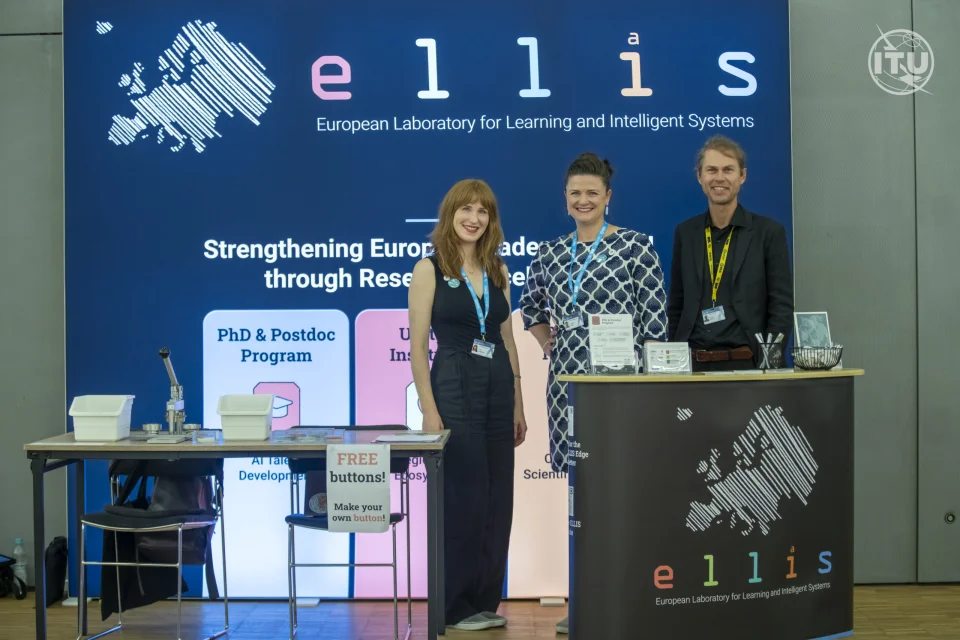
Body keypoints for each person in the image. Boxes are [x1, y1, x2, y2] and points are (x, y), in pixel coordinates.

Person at [518, 152, 667, 635]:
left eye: (592, 193)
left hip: (622, 390)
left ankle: (630, 596)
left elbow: (655, 322)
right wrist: (550, 343)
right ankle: (584, 602)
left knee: (624, 493)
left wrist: (649, 387)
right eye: (575, 193)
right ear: (565, 199)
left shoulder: (635, 246)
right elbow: (530, 307)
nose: (583, 200)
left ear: (608, 197)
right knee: (580, 501)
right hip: (567, 391)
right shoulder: (549, 253)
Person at [408, 178, 528, 632]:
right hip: (454, 387)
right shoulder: (430, 268)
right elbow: (418, 346)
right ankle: (455, 608)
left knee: (498, 499)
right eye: (466, 209)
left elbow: (507, 339)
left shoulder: (498, 269)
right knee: (464, 497)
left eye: (483, 211)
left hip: (498, 388)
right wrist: (429, 408)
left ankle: (484, 602)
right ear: (451, 214)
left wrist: (518, 404)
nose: (474, 218)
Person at [666, 135, 794, 371]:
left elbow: (781, 307)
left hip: (750, 366)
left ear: (742, 176)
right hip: (692, 367)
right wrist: (674, 363)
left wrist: (770, 364)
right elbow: (676, 305)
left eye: (728, 170)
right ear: (699, 176)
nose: (719, 178)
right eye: (711, 170)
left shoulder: (768, 233)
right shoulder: (686, 233)